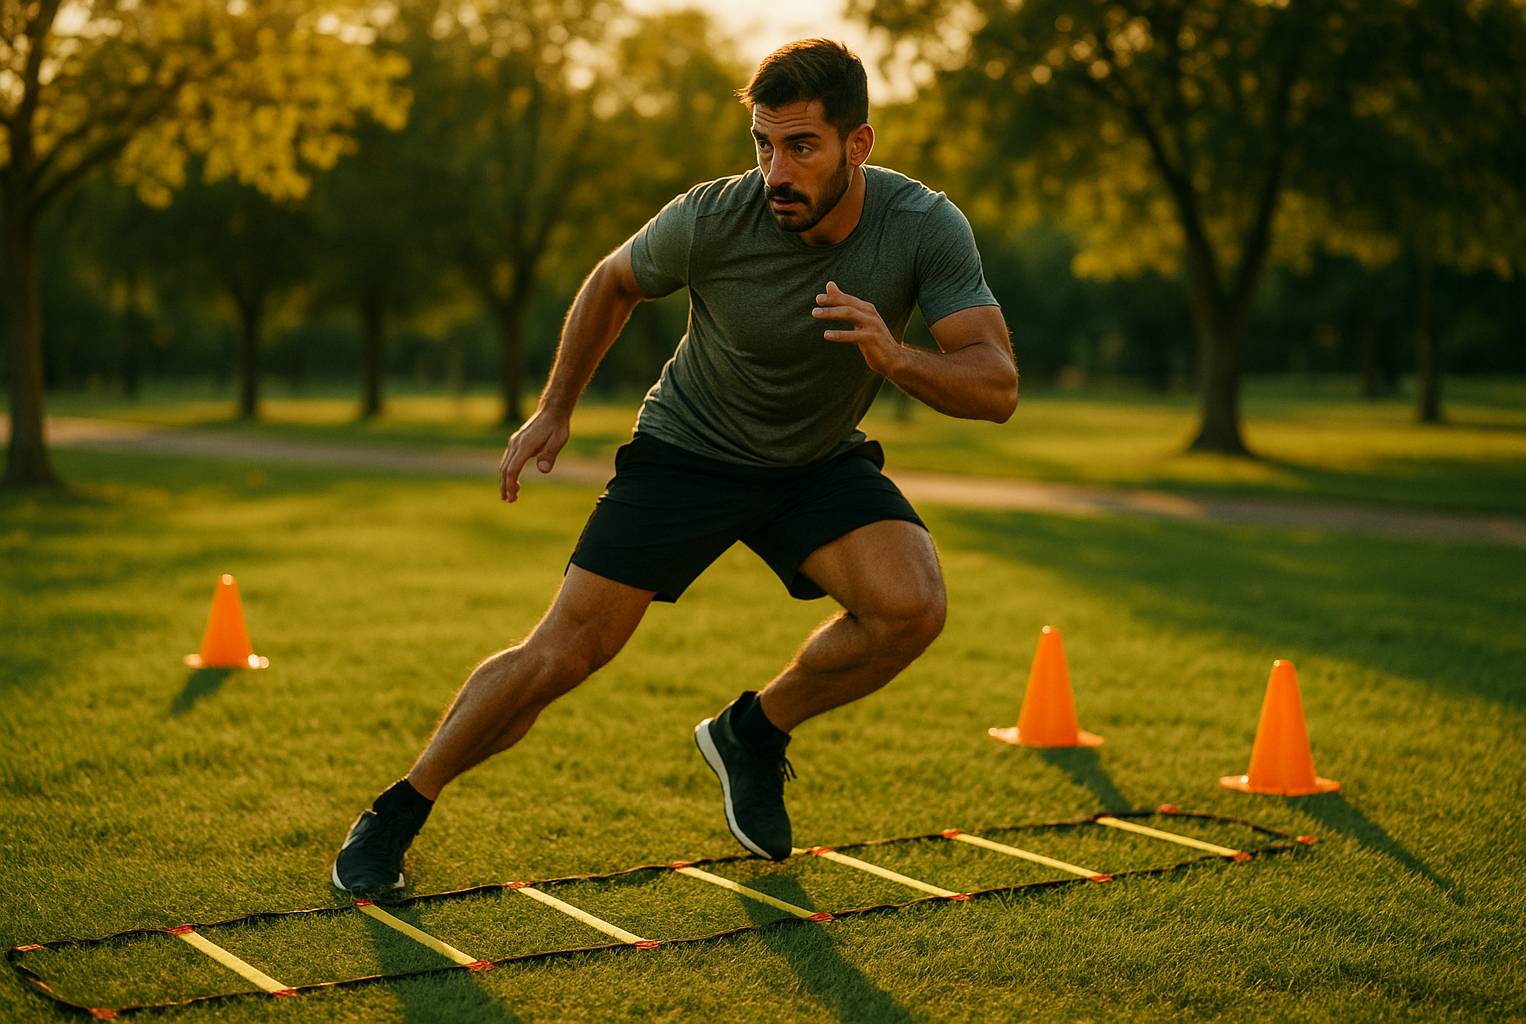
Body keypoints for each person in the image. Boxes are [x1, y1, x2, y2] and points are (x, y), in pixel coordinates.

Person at [332, 38, 1016, 897]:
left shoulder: (922, 227)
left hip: (812, 459)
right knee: (564, 653)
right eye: (763, 145)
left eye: (801, 147)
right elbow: (613, 281)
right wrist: (555, 408)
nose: (776, 170)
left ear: (859, 146)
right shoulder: (712, 216)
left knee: (911, 607)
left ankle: (754, 733)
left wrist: (897, 358)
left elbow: (995, 385)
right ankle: (397, 810)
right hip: (689, 451)